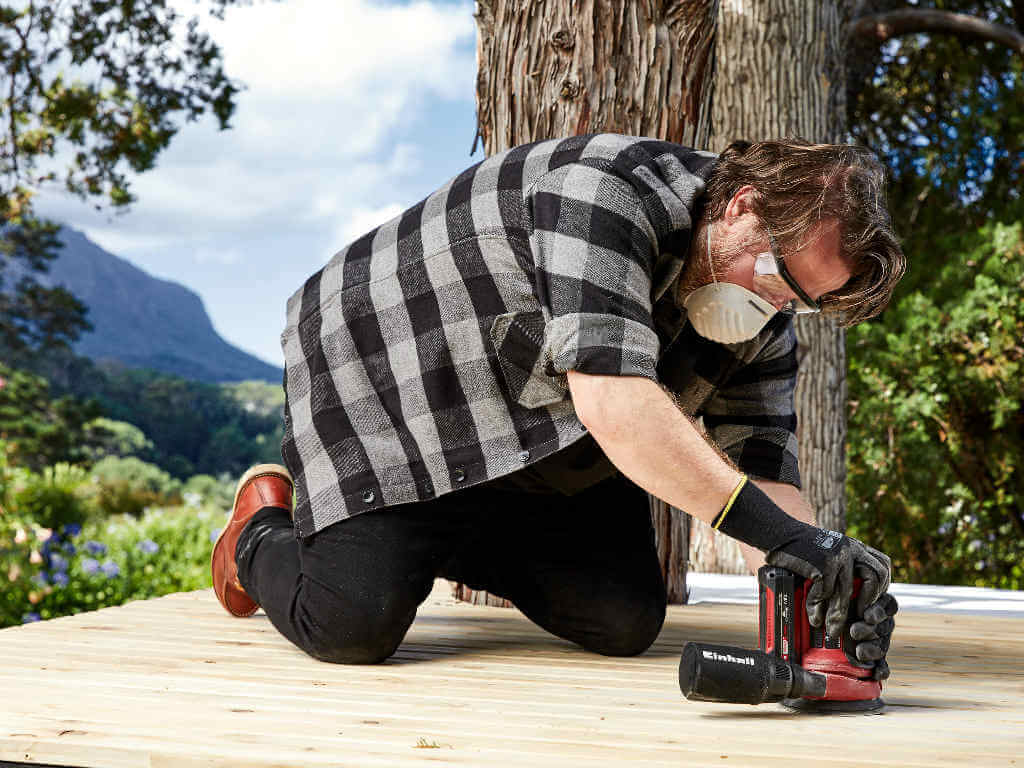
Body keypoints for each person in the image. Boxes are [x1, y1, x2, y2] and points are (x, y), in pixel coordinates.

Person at [211, 133, 903, 677]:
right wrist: (788, 539)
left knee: (625, 619)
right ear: (742, 205)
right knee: (350, 626)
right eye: (780, 276)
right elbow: (612, 398)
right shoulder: (603, 190)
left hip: (525, 429)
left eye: (801, 301)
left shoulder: (762, 320)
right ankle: (257, 531)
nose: (778, 305)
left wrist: (818, 606)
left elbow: (768, 476)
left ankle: (421, 540)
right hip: (389, 378)